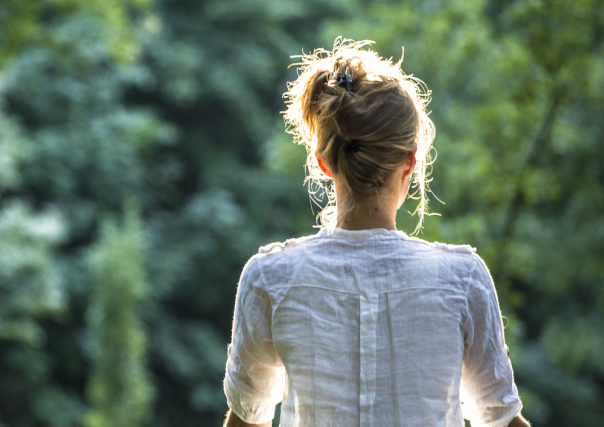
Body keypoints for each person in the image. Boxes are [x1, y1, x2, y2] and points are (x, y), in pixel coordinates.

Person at [221, 39, 530, 427]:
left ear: (323, 162)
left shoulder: (270, 278)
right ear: (411, 160)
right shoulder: (463, 280)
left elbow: (246, 419)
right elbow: (501, 419)